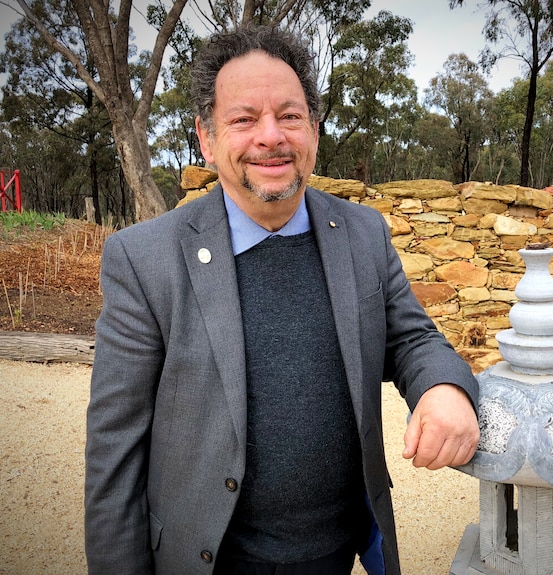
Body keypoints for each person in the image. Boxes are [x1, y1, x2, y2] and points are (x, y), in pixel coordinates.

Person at [84, 25, 479, 575]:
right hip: (208, 559)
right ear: (206, 136)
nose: (270, 137)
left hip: (333, 555)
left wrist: (443, 386)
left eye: (290, 116)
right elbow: (115, 451)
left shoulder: (363, 234)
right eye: (243, 119)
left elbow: (411, 337)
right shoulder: (143, 260)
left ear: (314, 130)